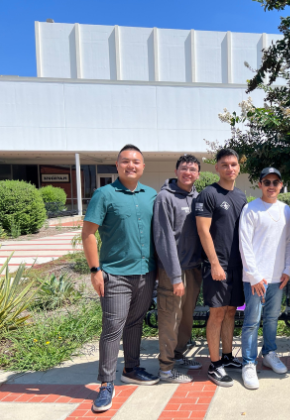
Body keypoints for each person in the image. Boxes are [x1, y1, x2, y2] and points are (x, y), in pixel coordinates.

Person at [82, 144, 159, 413]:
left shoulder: (151, 195)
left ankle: (132, 367)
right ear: (117, 165)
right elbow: (88, 234)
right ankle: (105, 383)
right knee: (113, 327)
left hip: (146, 273)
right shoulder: (104, 195)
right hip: (115, 274)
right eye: (125, 161)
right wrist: (95, 270)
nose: (131, 166)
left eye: (136, 162)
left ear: (143, 166)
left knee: (135, 322)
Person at [195, 148, 247, 387]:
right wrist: (215, 264)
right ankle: (215, 365)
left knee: (230, 312)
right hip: (218, 266)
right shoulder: (208, 194)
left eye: (234, 164)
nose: (230, 168)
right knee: (217, 313)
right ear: (216, 167)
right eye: (225, 164)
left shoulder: (241, 197)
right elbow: (203, 231)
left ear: (239, 168)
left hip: (238, 267)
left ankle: (227, 356)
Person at [239, 167, 290, 390]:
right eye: (267, 181)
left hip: (277, 277)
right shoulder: (250, 209)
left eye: (276, 182)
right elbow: (245, 244)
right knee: (252, 321)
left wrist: (288, 268)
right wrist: (254, 275)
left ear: (281, 185)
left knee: (271, 319)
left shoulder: (286, 209)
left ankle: (269, 353)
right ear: (260, 184)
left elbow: (289, 242)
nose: (272, 186)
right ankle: (249, 363)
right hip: (255, 279)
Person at [153, 154, 203, 383]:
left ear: (198, 174)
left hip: (193, 269)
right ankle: (166, 368)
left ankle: (178, 355)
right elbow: (164, 239)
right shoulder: (165, 198)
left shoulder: (197, 198)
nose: (188, 172)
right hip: (174, 272)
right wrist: (174, 276)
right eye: (184, 168)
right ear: (176, 171)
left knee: (185, 318)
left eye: (193, 169)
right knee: (170, 318)